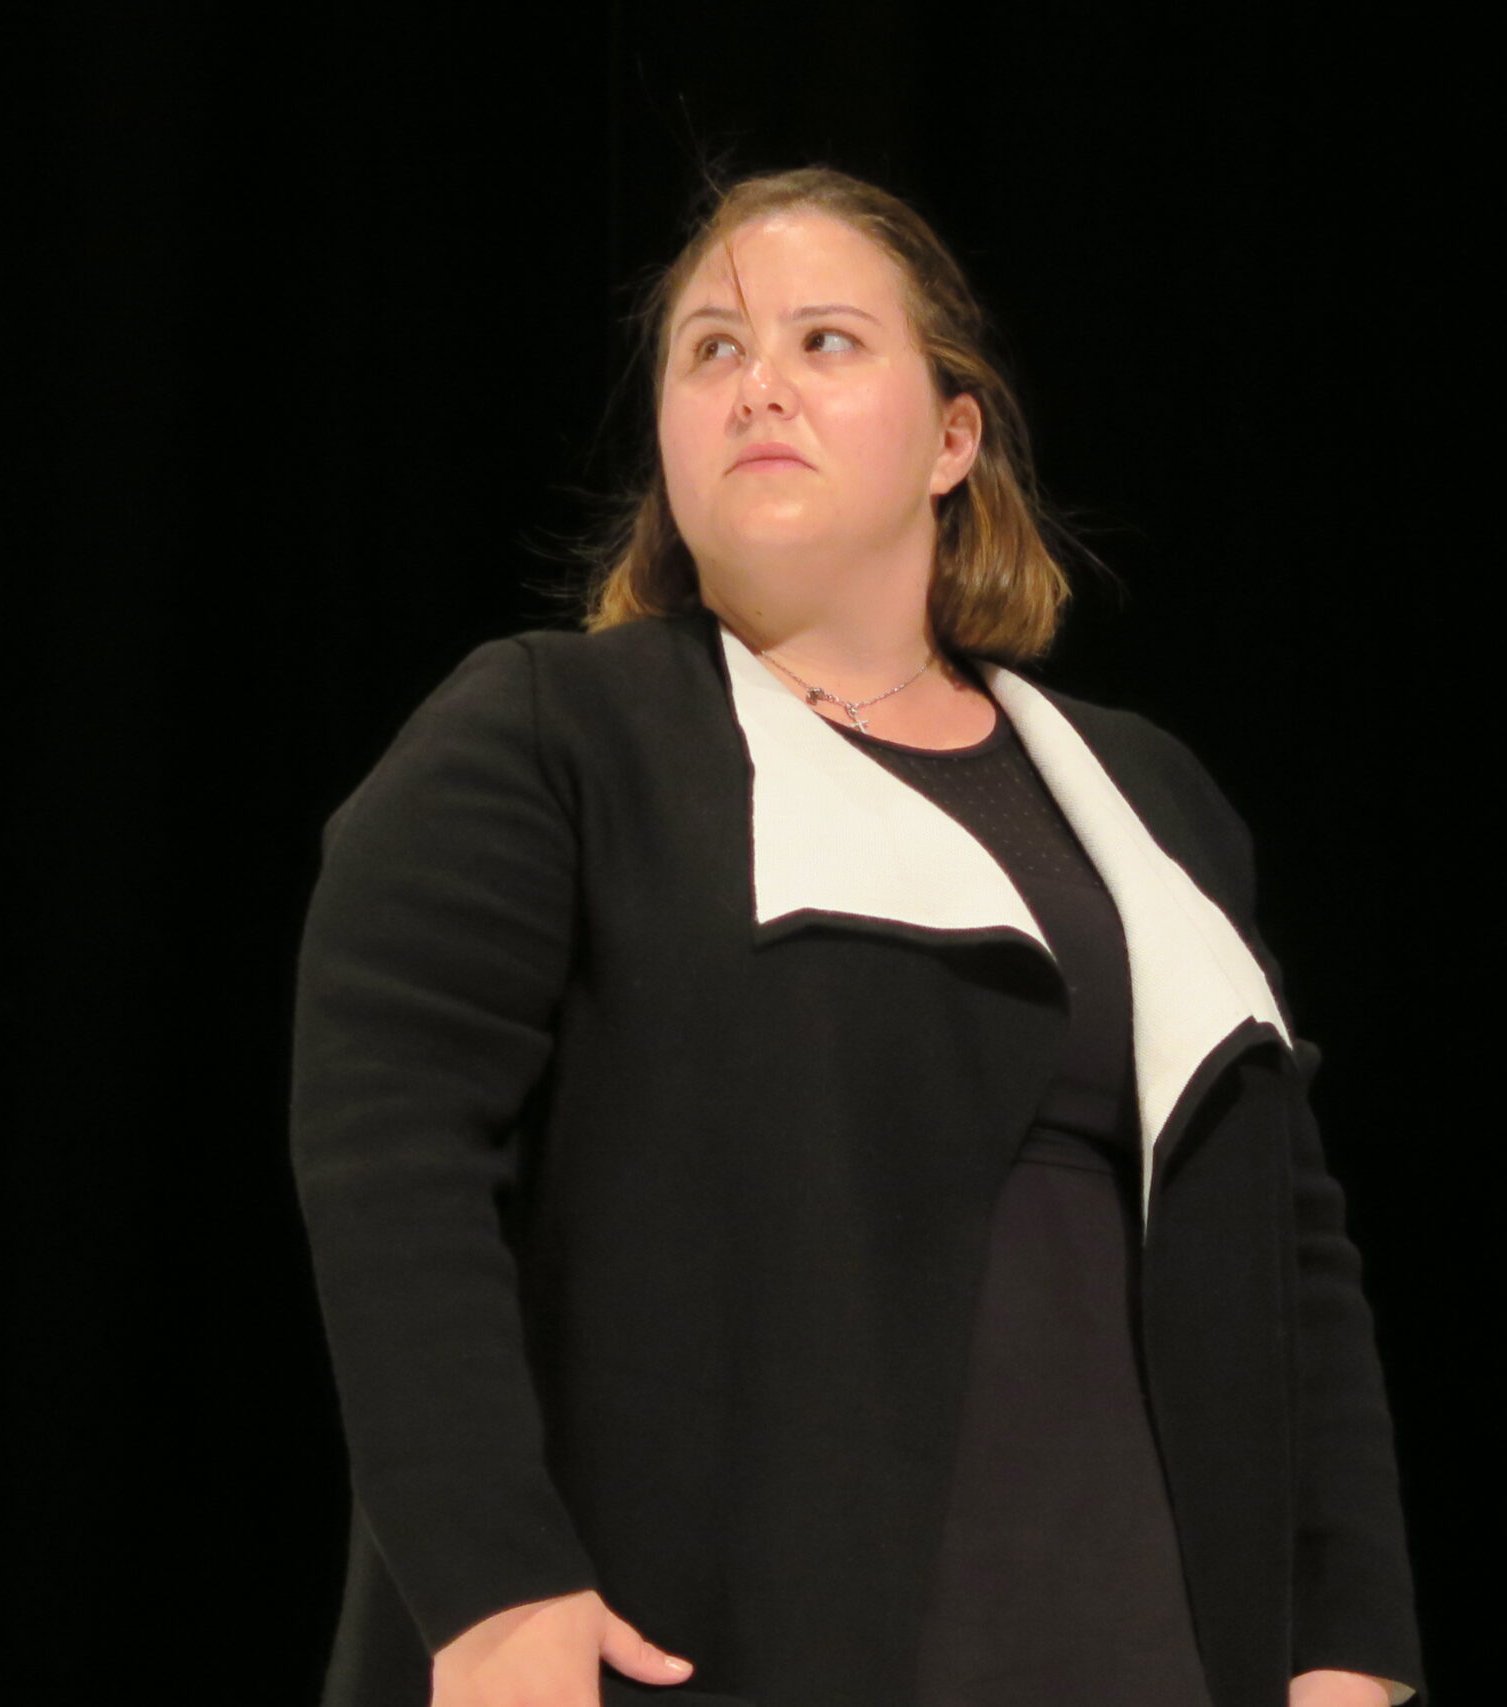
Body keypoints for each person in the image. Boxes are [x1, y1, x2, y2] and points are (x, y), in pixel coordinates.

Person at [287, 165, 1427, 1707]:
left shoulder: (1148, 796)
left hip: (1144, 1647)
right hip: (713, 1646)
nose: (760, 384)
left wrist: (1351, 1639)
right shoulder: (555, 732)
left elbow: (1294, 1244)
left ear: (955, 436)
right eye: (711, 351)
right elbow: (390, 1151)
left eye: (825, 342)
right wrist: (491, 1588)